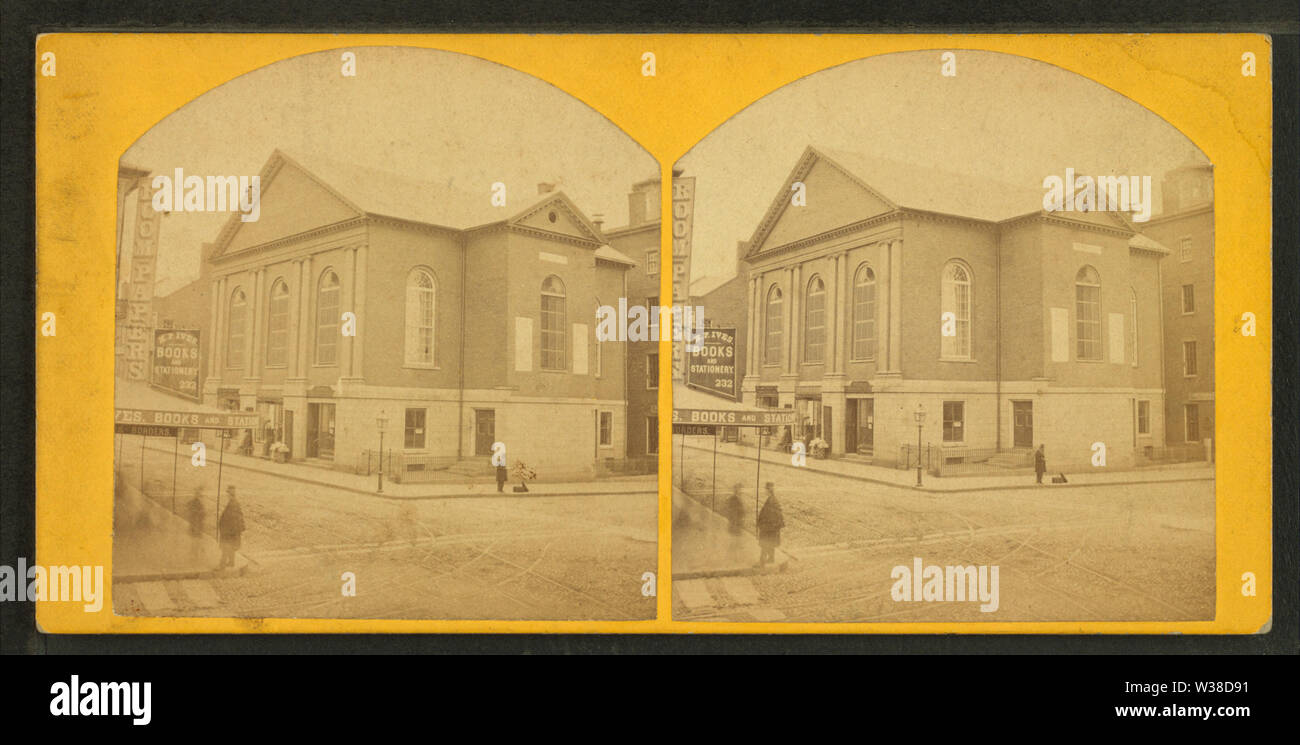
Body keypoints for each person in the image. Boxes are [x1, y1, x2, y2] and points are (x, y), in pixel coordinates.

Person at [756, 482, 785, 567]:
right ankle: (771, 558)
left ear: (768, 490)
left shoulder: (771, 501)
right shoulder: (772, 499)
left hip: (769, 527)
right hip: (772, 528)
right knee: (770, 543)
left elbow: (770, 515)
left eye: (766, 489)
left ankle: (761, 562)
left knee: (764, 543)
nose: (765, 490)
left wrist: (762, 525)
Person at [217, 486, 246, 570]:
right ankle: (231, 562)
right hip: (232, 531)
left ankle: (222, 565)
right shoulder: (233, 502)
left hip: (229, 531)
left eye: (228, 494)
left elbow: (231, 519)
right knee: (230, 547)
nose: (227, 495)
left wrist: (225, 530)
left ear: (230, 494)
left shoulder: (233, 504)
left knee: (225, 547)